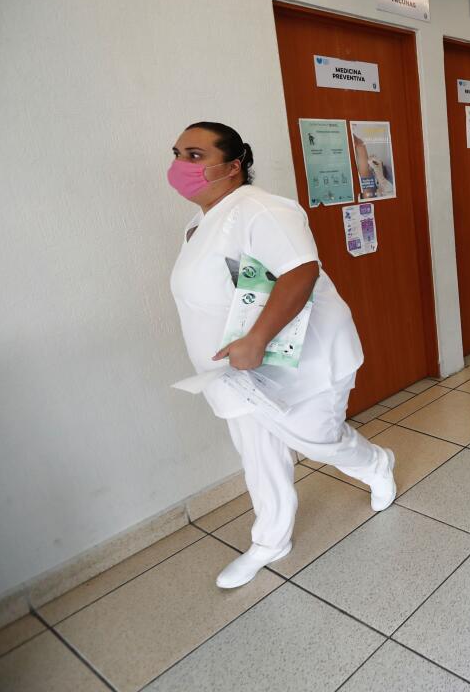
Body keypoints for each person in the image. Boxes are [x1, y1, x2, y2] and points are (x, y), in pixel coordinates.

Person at [168, 121, 397, 589]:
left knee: (316, 438)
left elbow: (300, 273)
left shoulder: (260, 208)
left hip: (301, 357)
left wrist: (255, 341)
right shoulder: (199, 224)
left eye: (194, 155)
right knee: (257, 450)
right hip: (234, 369)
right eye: (176, 154)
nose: (179, 166)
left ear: (233, 166)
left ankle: (376, 464)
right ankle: (270, 541)